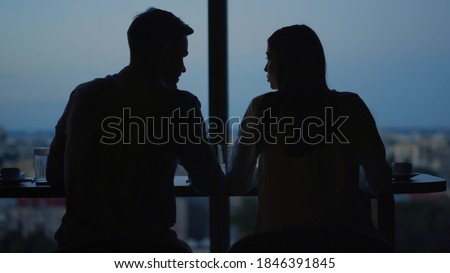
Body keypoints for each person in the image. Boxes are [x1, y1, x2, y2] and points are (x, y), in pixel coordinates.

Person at [47, 7, 224, 252]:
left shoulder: (83, 95)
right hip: (146, 248)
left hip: (75, 247)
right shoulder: (178, 105)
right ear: (163, 53)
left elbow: (54, 175)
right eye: (180, 57)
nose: (183, 68)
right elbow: (210, 182)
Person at [227, 25, 393, 252]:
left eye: (270, 58)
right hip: (346, 244)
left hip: (277, 245)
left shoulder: (262, 108)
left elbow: (237, 182)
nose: (266, 68)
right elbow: (379, 183)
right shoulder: (351, 107)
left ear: (287, 63)